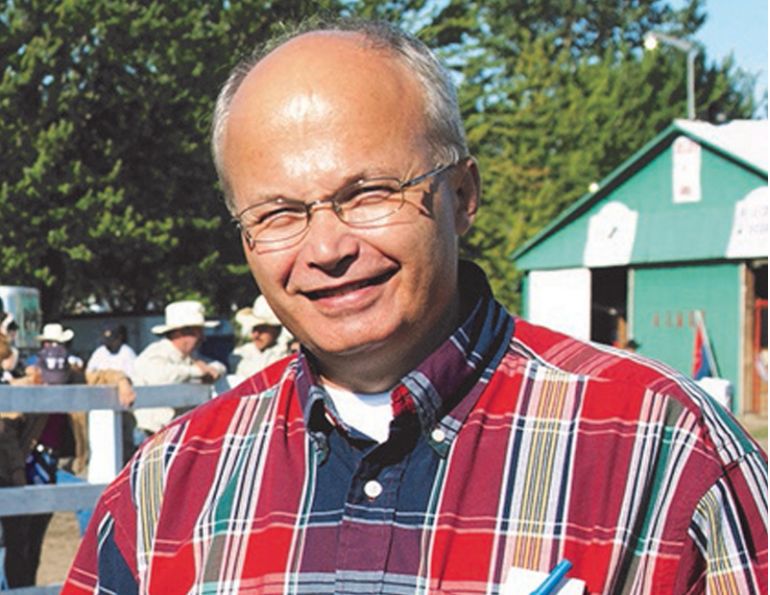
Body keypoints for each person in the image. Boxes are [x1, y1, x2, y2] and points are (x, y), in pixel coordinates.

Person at [63, 19, 767, 594]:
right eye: (277, 214)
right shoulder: (165, 488)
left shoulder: (665, 451)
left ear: (461, 196)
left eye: (369, 193)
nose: (326, 247)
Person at [130, 300, 226, 436]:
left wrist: (212, 371)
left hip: (175, 432)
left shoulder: (191, 357)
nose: (203, 338)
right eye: (197, 332)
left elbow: (219, 366)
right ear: (181, 333)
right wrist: (198, 372)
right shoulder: (154, 355)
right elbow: (161, 376)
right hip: (152, 434)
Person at [229, 294, 290, 379]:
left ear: (276, 330)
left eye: (262, 329)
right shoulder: (240, 354)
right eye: (254, 329)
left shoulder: (285, 356)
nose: (256, 335)